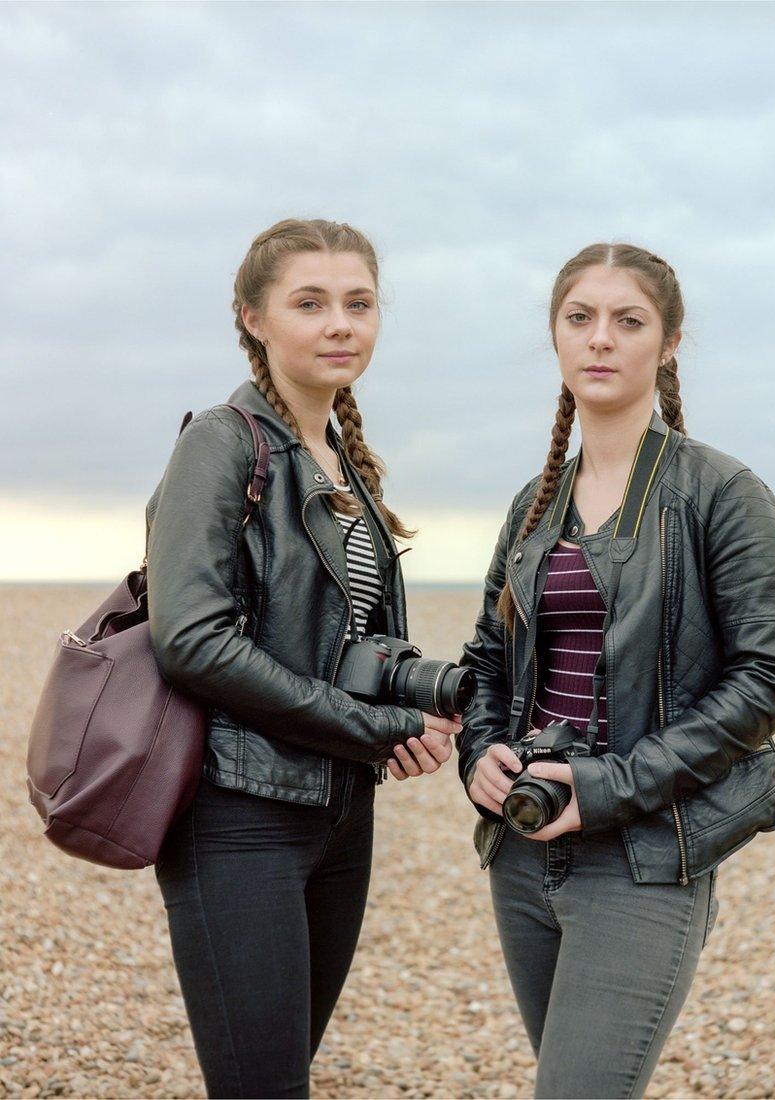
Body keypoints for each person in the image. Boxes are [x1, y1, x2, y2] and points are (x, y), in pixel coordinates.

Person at [457, 243, 775, 1099]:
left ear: (670, 340)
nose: (600, 340)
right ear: (556, 337)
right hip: (522, 854)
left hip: (648, 857)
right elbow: (485, 663)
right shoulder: (533, 503)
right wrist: (480, 754)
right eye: (579, 319)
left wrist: (606, 788)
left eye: (628, 320)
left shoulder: (722, 491)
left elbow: (771, 678)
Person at [145, 218, 461, 1099]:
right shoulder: (221, 441)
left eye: (359, 304)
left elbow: (341, 642)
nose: (340, 325)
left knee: (283, 1076)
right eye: (310, 303)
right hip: (238, 813)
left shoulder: (342, 462)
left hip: (338, 816)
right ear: (253, 319)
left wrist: (410, 711)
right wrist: (370, 725)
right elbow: (193, 640)